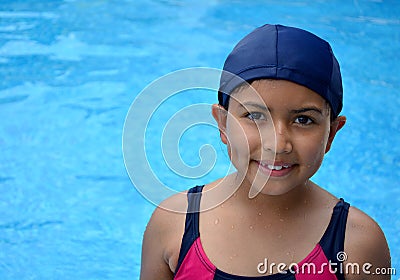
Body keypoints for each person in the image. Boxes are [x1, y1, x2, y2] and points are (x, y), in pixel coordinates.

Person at [140, 24, 391, 279]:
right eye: (254, 116)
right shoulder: (173, 224)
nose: (278, 144)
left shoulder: (357, 244)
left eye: (303, 120)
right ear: (222, 124)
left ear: (332, 133)